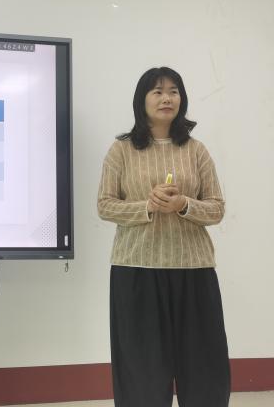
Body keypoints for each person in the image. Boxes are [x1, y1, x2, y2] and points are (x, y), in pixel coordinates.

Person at [97, 66, 231, 407]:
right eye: (157, 91)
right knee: (142, 371)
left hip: (193, 271)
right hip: (136, 271)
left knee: (204, 368)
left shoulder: (197, 150)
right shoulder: (121, 150)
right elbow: (105, 206)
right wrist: (148, 206)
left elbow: (217, 208)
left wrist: (184, 204)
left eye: (173, 91)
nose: (166, 98)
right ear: (142, 101)